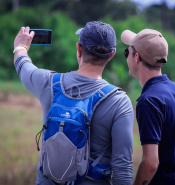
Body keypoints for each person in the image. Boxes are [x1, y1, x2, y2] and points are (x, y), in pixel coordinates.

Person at [13, 21, 134, 185]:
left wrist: (20, 46)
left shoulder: (49, 83)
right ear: (111, 55)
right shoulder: (119, 101)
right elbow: (123, 168)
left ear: (78, 49)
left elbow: (23, 66)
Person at [121, 29, 175, 185]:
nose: (126, 57)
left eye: (127, 52)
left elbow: (150, 163)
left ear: (137, 57)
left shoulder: (148, 101)